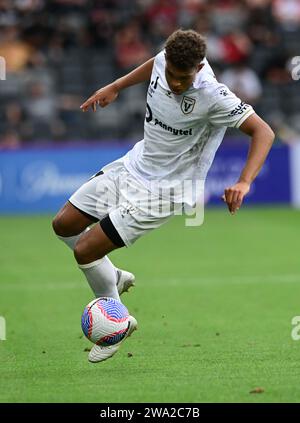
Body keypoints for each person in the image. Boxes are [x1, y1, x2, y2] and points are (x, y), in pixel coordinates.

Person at [52, 29, 275, 363]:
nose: (175, 82)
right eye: (170, 73)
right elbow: (154, 64)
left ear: (199, 68)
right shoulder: (167, 59)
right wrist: (115, 86)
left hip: (165, 191)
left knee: (85, 250)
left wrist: (244, 181)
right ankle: (111, 276)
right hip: (134, 165)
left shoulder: (215, 95)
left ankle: (117, 323)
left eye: (183, 78)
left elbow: (264, 131)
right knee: (64, 225)